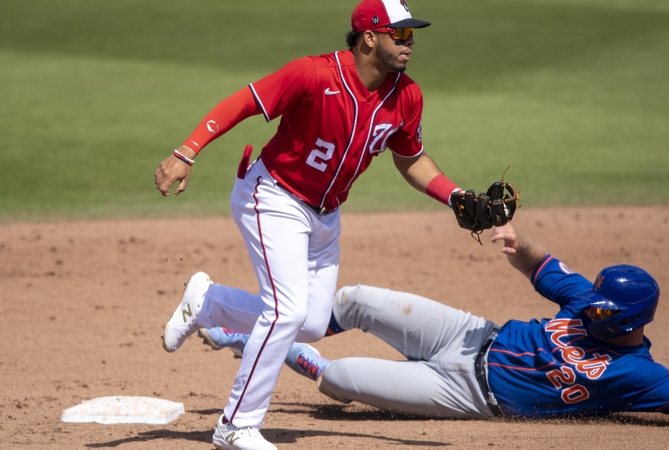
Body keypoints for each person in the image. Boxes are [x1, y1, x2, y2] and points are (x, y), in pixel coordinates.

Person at [153, 2, 475, 449]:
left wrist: (455, 196)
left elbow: (411, 158)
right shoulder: (313, 75)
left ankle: (208, 303)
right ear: (369, 37)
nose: (409, 43)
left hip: (325, 215)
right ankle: (235, 425)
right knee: (286, 311)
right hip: (272, 195)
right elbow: (245, 102)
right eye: (399, 35)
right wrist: (187, 152)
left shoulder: (407, 95)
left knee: (308, 324)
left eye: (411, 35)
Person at [199, 223, 669, 438]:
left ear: (630, 322)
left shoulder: (638, 376)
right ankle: (264, 329)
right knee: (353, 299)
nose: (588, 311)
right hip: (465, 335)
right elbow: (543, 265)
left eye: (600, 314)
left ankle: (262, 348)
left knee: (341, 382)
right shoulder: (588, 297)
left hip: (466, 398)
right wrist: (516, 241)